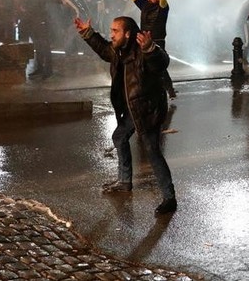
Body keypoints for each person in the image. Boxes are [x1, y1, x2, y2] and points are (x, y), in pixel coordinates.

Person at [74, 15, 177, 216]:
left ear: (128, 34)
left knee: (152, 151)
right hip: (133, 107)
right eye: (111, 30)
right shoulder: (118, 50)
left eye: (115, 31)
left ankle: (169, 198)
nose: (111, 34)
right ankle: (124, 182)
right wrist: (88, 33)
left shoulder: (142, 51)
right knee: (119, 137)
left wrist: (150, 48)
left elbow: (161, 62)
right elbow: (104, 50)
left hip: (148, 109)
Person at [121, 0, 176, 99]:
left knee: (159, 66)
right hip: (144, 39)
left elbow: (163, 3)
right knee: (144, 64)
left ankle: (169, 89)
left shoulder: (163, 8)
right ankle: (147, 88)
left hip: (157, 40)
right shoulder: (145, 5)